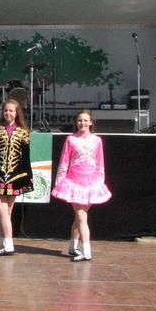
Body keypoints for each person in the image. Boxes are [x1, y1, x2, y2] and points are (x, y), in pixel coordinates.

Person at [51, 110, 112, 262]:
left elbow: (100, 162)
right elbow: (64, 161)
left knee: (79, 219)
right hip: (74, 183)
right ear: (76, 123)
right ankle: (86, 250)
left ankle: (72, 247)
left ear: (91, 122)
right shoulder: (70, 140)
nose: (82, 123)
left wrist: (100, 180)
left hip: (91, 184)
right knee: (81, 216)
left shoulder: (97, 141)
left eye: (85, 120)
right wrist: (60, 180)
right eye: (79, 120)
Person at [0, 99, 33, 256]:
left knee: (8, 211)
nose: (8, 113)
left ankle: (4, 243)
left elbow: (26, 157)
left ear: (17, 113)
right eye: (6, 110)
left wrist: (29, 175)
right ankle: (7, 244)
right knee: (1, 209)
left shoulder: (23, 132)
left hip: (16, 174)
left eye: (11, 110)